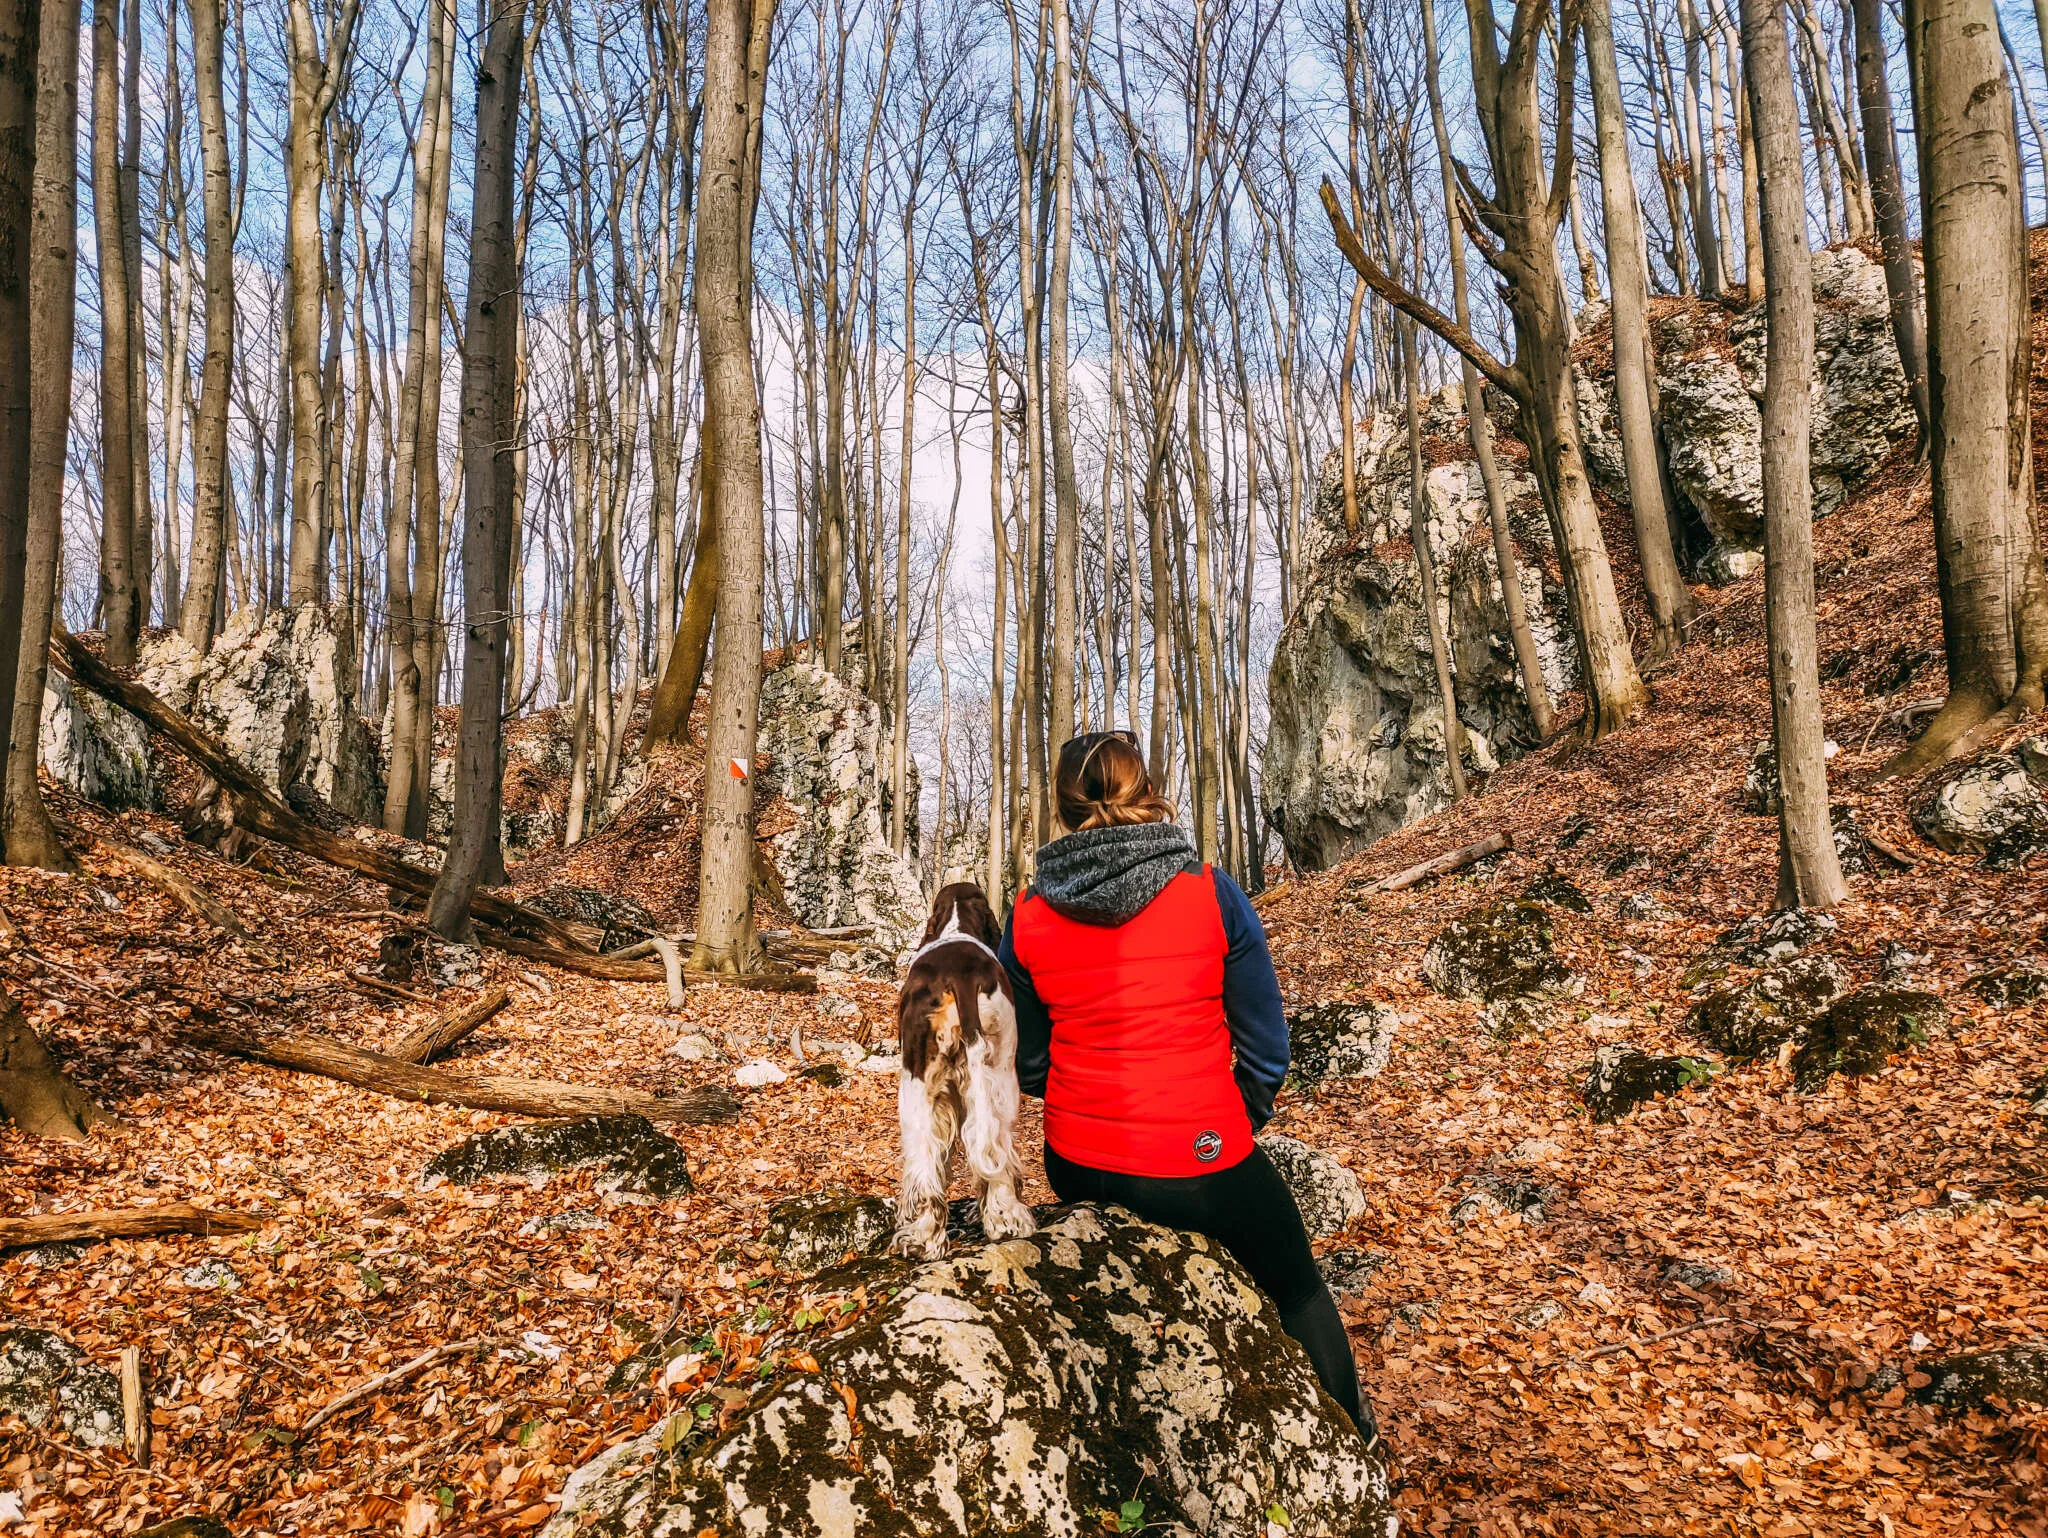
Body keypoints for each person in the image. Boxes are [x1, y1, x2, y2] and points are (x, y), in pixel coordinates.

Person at [997, 730, 1374, 1440]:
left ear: (1064, 808)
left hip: (1077, 1162)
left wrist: (1083, 1103)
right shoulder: (1207, 889)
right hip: (1199, 1161)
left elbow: (1027, 1061)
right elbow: (1266, 1045)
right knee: (1298, 1288)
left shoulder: (1027, 913)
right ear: (1145, 790)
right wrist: (1236, 1119)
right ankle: (1355, 1435)